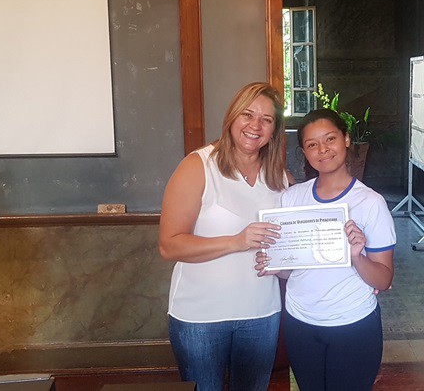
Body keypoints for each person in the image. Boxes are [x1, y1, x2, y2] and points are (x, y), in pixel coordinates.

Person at [159, 82, 288, 391]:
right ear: (232, 116)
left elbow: (295, 239)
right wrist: (237, 241)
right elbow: (169, 245)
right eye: (247, 114)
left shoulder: (280, 177)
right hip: (200, 316)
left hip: (262, 313)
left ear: (274, 130)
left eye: (266, 119)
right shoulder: (198, 166)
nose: (255, 125)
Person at [256, 107, 396, 391]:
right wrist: (273, 265)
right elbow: (292, 271)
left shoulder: (371, 203)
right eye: (312, 144)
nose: (323, 150)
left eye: (330, 139)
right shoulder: (292, 198)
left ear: (346, 139)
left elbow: (383, 280)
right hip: (300, 323)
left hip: (353, 323)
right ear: (304, 153)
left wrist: (357, 257)